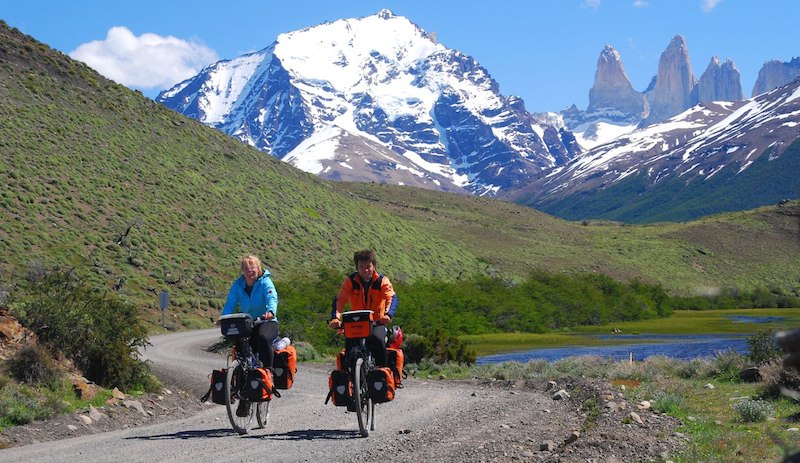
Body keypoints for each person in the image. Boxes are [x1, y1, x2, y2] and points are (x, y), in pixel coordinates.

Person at [329, 249, 398, 367]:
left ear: (374, 266)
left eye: (368, 266)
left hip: (376, 321)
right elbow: (340, 299)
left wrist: (387, 315)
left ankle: (382, 374)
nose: (365, 270)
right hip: (357, 322)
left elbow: (391, 298)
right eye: (361, 267)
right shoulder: (350, 281)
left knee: (378, 341)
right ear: (356, 267)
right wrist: (335, 318)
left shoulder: (382, 281)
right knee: (349, 347)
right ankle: (351, 378)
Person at [219, 254, 279, 370]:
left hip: (265, 321)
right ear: (242, 270)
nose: (250, 271)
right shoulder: (238, 285)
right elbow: (230, 302)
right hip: (246, 322)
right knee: (240, 343)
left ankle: (268, 371)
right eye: (246, 268)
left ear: (258, 268)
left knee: (262, 337)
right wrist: (224, 318)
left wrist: (270, 312)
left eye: (253, 268)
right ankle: (240, 374)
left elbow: (271, 297)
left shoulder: (265, 282)